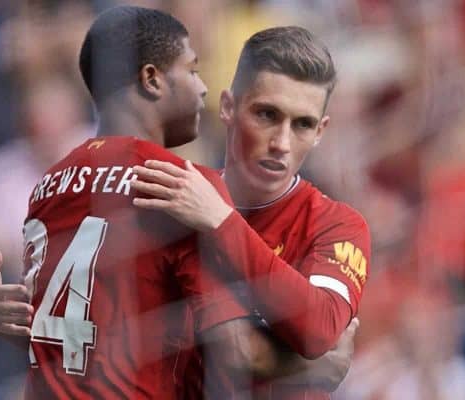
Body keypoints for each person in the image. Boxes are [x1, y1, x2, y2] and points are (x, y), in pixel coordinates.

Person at [0, 7, 357, 400]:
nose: (202, 88)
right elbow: (236, 352)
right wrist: (312, 365)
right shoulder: (180, 186)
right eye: (192, 70)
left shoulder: (48, 186)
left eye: (302, 123)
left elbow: (68, 334)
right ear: (152, 79)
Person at [131, 26, 370, 399]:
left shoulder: (337, 225)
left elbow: (318, 329)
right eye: (267, 115)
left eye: (302, 124)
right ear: (228, 106)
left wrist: (221, 222)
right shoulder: (168, 207)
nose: (281, 143)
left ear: (321, 131)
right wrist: (302, 364)